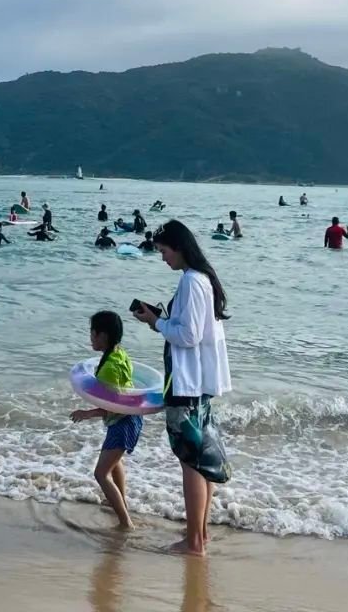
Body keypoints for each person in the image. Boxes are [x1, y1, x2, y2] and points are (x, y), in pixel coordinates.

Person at [133, 220, 232, 556]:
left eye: (163, 251)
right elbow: (197, 331)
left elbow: (187, 337)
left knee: (189, 463)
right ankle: (199, 538)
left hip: (186, 384)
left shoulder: (191, 281)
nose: (162, 258)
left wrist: (155, 322)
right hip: (200, 384)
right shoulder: (204, 279)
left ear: (178, 247)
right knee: (201, 461)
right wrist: (162, 321)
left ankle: (193, 543)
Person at [70, 311, 142, 530]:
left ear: (103, 336)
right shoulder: (119, 353)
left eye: (92, 334)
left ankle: (125, 522)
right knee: (115, 462)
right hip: (129, 419)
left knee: (100, 474)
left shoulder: (108, 370)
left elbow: (110, 405)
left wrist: (86, 413)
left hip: (122, 422)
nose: (90, 338)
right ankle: (120, 504)